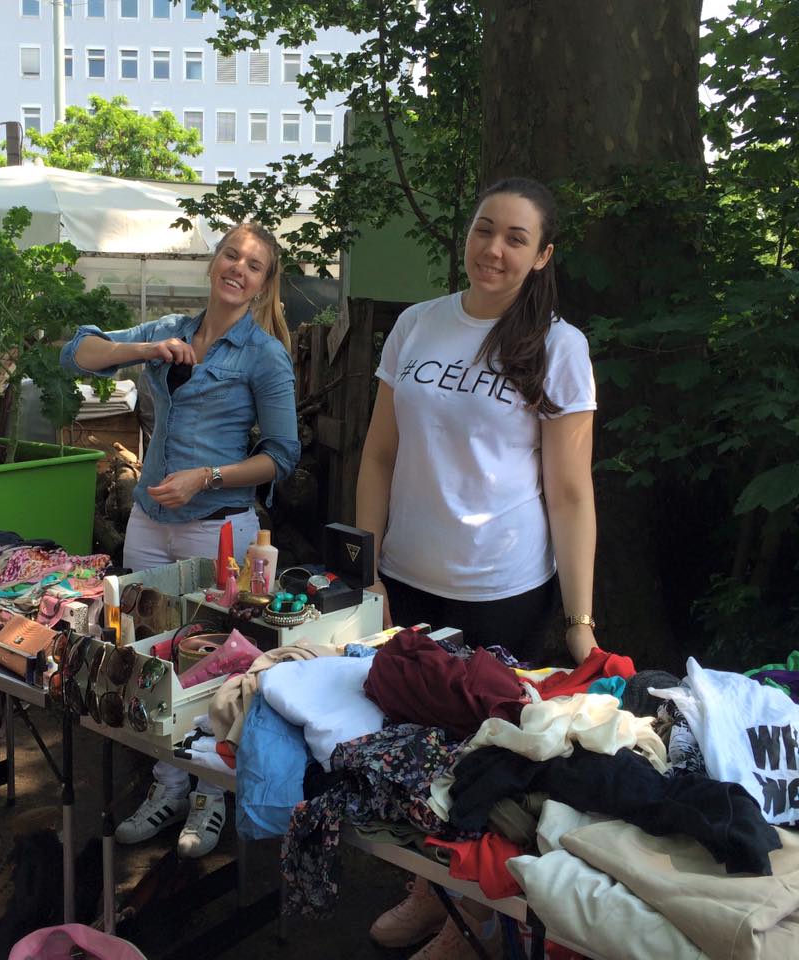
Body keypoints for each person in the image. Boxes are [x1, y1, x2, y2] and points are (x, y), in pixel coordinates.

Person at [355, 177, 598, 958]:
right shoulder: (417, 325)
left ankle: (472, 916)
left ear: (542, 255)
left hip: (503, 590)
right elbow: (379, 454)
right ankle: (429, 888)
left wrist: (580, 621)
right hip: (406, 579)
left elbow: (571, 492)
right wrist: (367, 568)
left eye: (516, 238)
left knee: (483, 761)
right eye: (484, 229)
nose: (493, 249)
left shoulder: (559, 347)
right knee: (409, 747)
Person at [60, 221, 300, 858]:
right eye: (231, 255)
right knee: (149, 656)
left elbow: (282, 456)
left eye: (253, 265)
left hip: (215, 529)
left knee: (211, 663)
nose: (238, 268)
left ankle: (209, 795)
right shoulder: (169, 330)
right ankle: (167, 786)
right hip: (147, 523)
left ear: (263, 283)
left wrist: (206, 476)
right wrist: (146, 349)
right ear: (213, 262)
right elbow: (77, 352)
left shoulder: (264, 355)